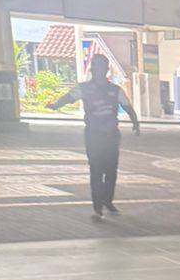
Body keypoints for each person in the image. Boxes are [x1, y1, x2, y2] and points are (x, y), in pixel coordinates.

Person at [48, 54, 139, 218]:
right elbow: (68, 98)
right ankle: (98, 206)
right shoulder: (83, 88)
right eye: (96, 67)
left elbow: (127, 106)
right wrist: (55, 105)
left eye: (102, 67)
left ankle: (107, 201)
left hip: (111, 136)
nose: (99, 70)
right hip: (94, 136)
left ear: (106, 70)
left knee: (111, 171)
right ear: (92, 69)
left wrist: (136, 123)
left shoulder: (115, 90)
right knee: (96, 170)